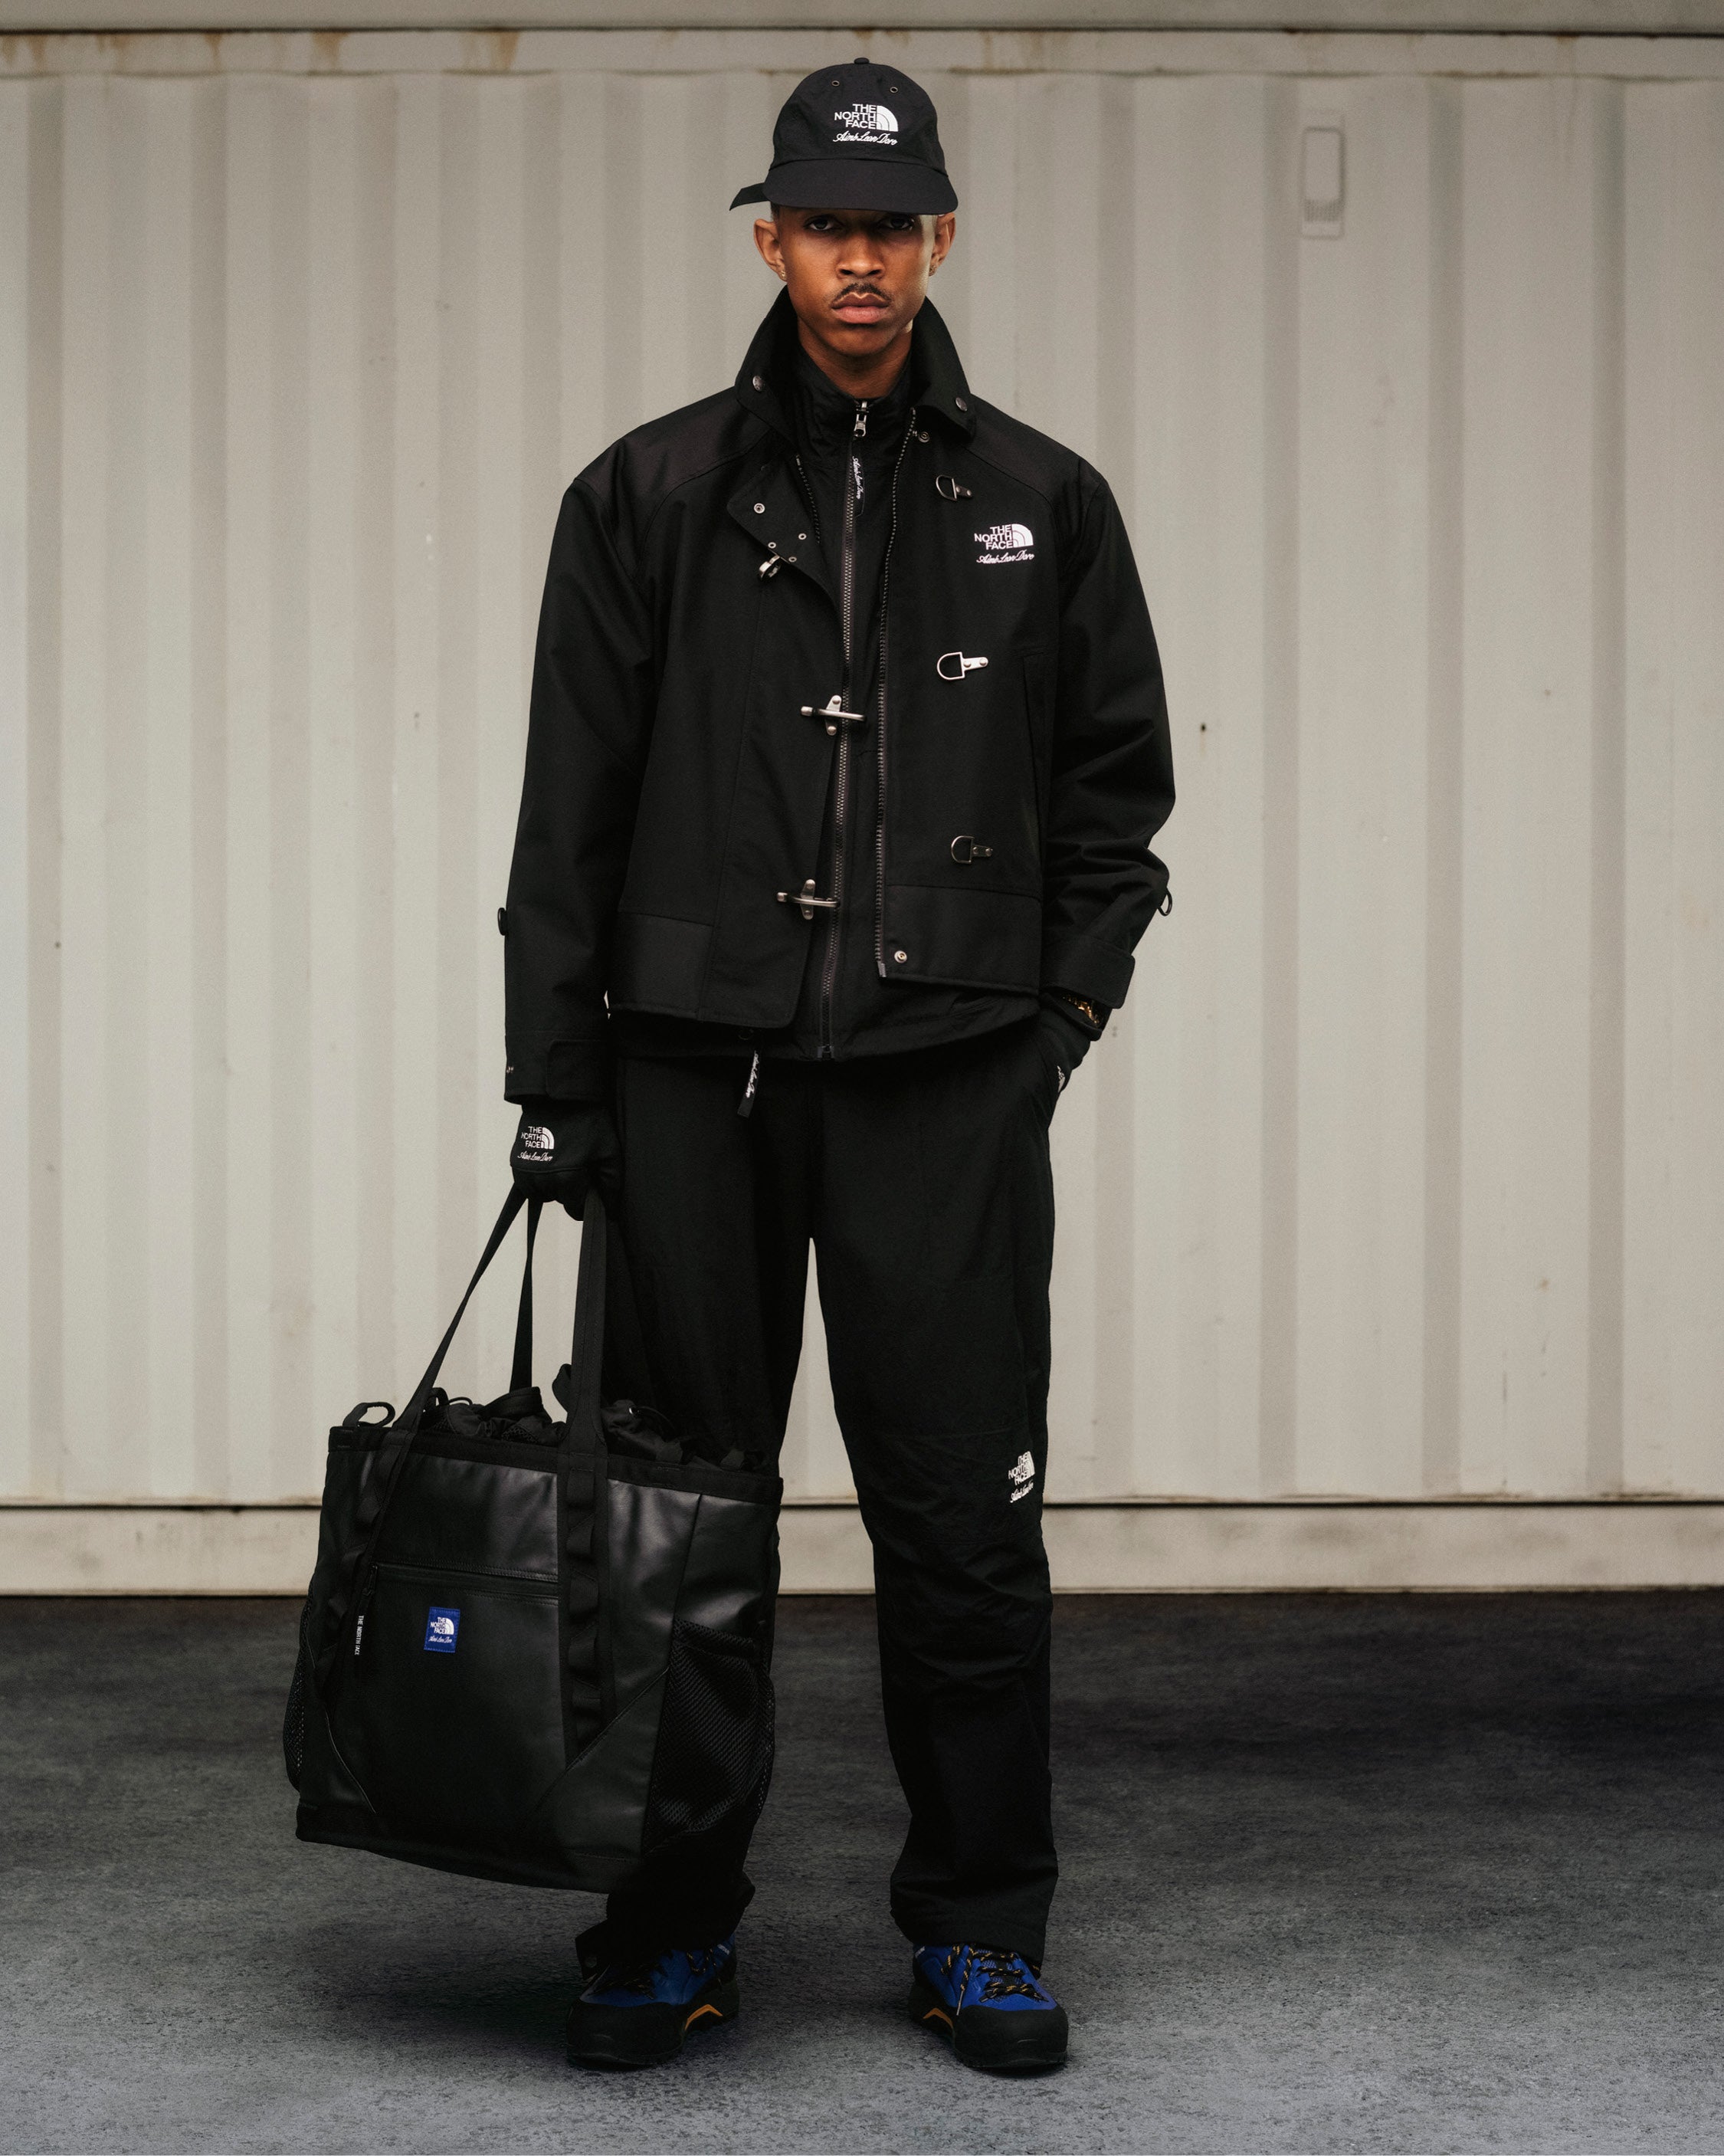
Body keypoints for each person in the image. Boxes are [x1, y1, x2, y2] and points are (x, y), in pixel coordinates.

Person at [502, 57, 1173, 2076]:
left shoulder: (1045, 503)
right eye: (824, 225)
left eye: (890, 225)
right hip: (686, 1090)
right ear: (770, 239)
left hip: (945, 1084)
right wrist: (560, 1093)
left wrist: (1050, 1027)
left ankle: (980, 1926)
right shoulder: (648, 494)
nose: (858, 259)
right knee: (680, 1524)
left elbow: (1115, 802)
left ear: (938, 237)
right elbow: (567, 822)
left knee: (960, 1524)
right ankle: (665, 1922)